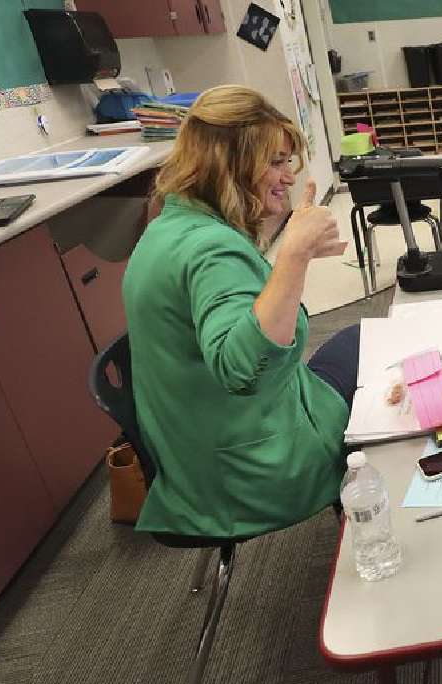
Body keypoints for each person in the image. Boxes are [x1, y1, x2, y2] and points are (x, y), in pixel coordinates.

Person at [123, 85, 356, 540]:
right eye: (275, 161)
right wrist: (292, 255)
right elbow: (246, 373)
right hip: (249, 473)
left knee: (354, 342)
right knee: (383, 374)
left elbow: (233, 304)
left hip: (197, 457)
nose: (288, 177)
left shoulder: (171, 225)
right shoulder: (211, 249)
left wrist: (294, 251)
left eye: (288, 161)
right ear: (226, 164)